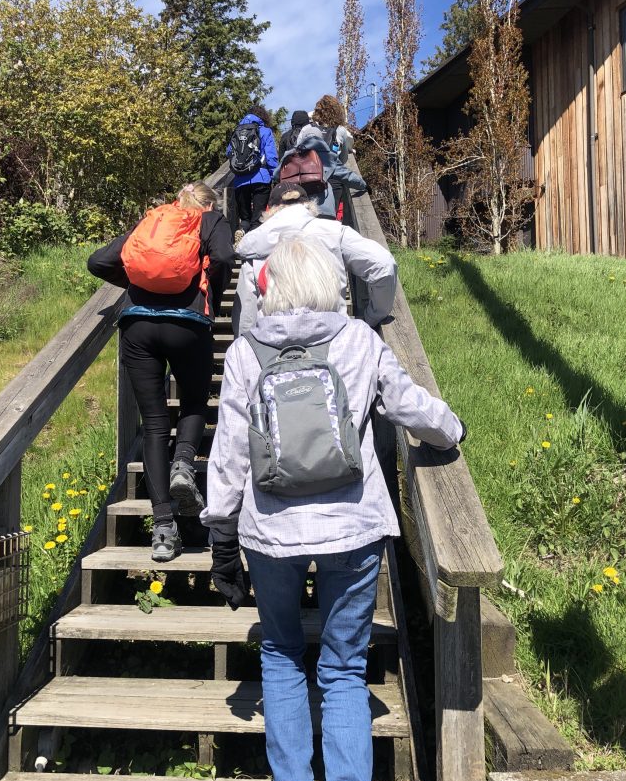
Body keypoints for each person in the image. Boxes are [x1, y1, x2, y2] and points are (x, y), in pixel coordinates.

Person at [202, 237, 465, 781]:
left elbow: (230, 449)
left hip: (272, 530)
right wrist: (451, 429)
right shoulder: (358, 340)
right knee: (344, 668)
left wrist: (220, 532)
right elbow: (410, 407)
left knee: (285, 653)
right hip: (352, 526)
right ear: (329, 284)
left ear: (267, 289)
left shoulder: (244, 351)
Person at [87, 183, 234, 562]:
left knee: (154, 424)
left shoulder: (153, 222)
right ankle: (183, 464)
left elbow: (98, 261)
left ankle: (164, 532)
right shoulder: (211, 220)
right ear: (208, 204)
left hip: (137, 325)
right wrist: (207, 293)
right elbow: (223, 256)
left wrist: (139, 283)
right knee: (194, 404)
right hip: (188, 324)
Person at [233, 181, 397, 335]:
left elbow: (246, 315)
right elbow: (383, 265)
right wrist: (372, 317)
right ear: (309, 205)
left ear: (269, 210)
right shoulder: (335, 232)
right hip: (332, 339)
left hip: (274, 345)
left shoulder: (254, 245)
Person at [274, 122, 367, 221]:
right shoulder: (328, 156)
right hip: (323, 208)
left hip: (296, 208)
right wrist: (364, 185)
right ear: (320, 138)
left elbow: (276, 175)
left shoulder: (290, 155)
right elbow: (348, 176)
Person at [227, 105, 279, 238]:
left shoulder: (237, 131)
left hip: (240, 180)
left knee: (245, 219)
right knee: (258, 218)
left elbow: (229, 152)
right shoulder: (265, 131)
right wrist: (275, 176)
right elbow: (271, 157)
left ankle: (243, 233)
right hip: (261, 178)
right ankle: (255, 251)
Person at [312, 94, 353, 165]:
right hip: (330, 170)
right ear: (337, 111)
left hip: (312, 169)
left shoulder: (311, 127)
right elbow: (343, 159)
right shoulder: (340, 130)